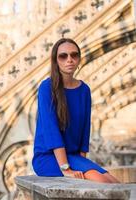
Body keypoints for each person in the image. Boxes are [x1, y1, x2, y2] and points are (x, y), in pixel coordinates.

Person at [32, 38, 120, 183]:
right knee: (102, 181)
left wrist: (83, 164)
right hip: (48, 158)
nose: (69, 60)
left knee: (113, 181)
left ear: (79, 59)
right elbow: (51, 131)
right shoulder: (47, 88)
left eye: (74, 55)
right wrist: (66, 169)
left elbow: (85, 130)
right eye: (63, 56)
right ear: (56, 60)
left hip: (73, 157)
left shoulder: (84, 90)